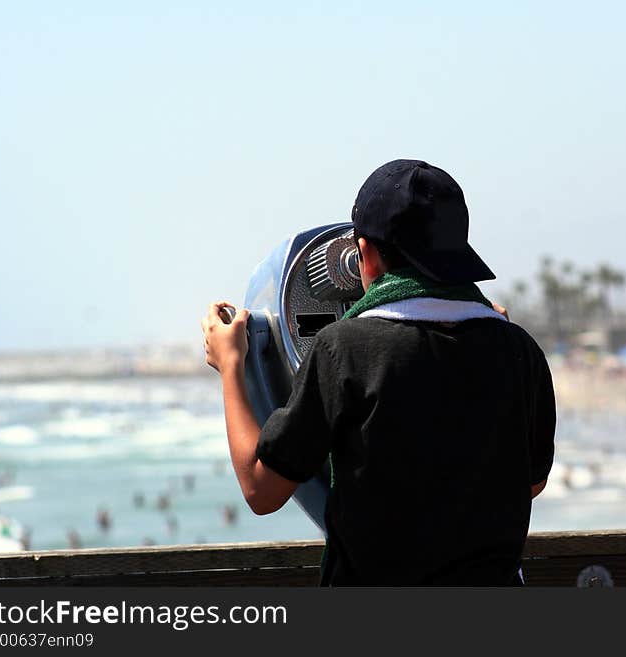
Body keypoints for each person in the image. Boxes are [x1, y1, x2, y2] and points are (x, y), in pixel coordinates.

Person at [202, 159, 556, 585]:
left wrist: (231, 365)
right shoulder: (521, 351)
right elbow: (529, 483)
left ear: (365, 253)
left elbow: (261, 490)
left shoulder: (343, 349)